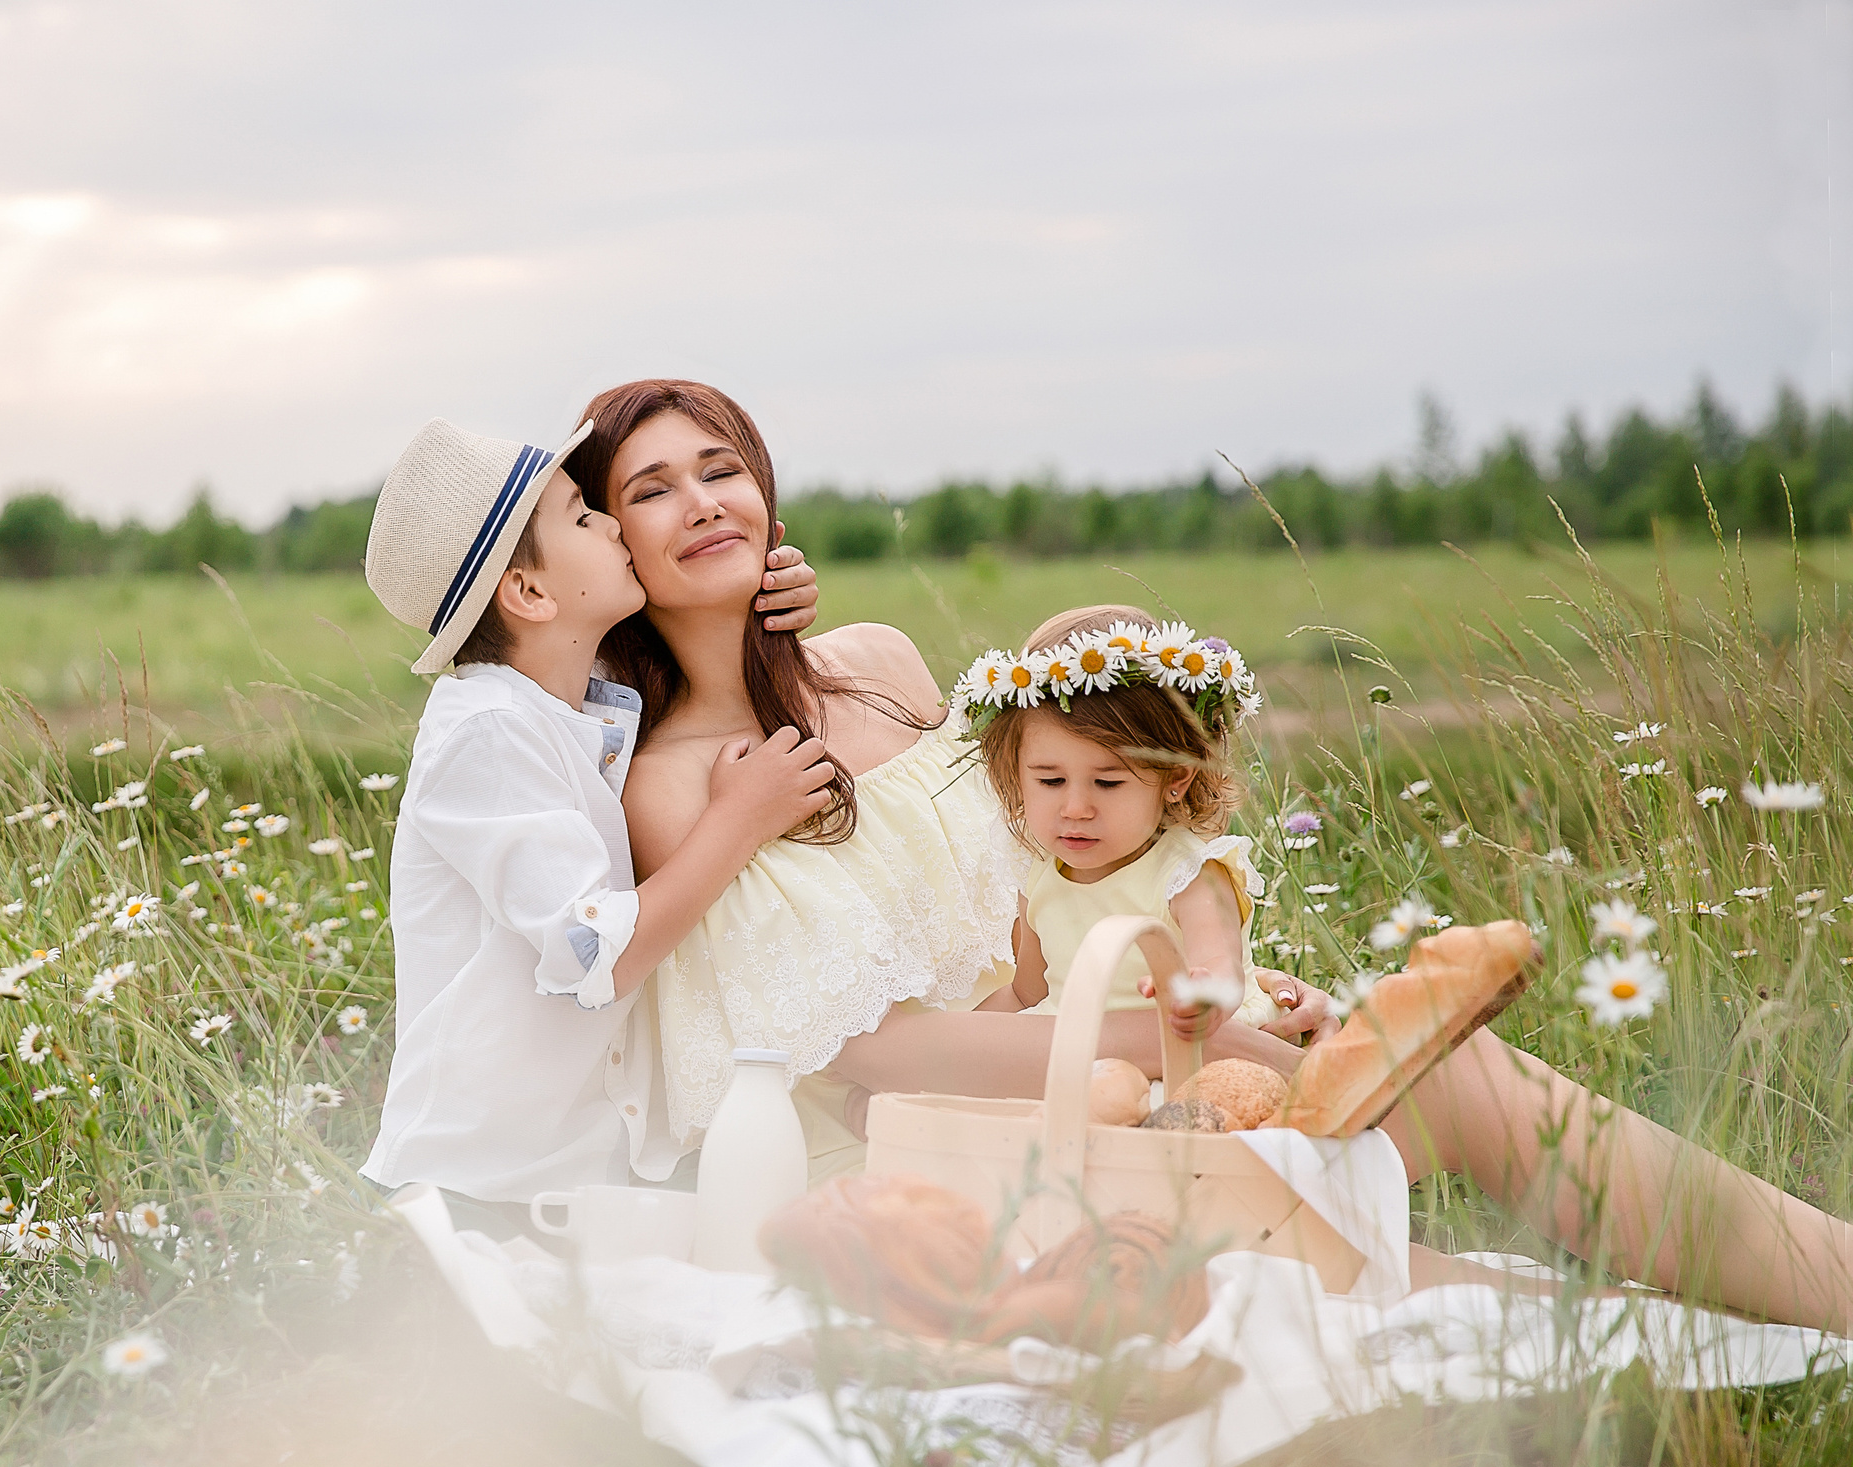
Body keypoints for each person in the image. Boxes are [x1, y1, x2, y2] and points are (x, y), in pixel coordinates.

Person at [566, 377, 1853, 1331]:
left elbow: (1056, 889)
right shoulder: (682, 783)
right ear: (612, 541)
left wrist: (1216, 990)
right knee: (1405, 1278)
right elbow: (867, 1051)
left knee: (1446, 1075)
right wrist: (1185, 1040)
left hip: (1095, 1070)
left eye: (718, 465)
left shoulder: (886, 668)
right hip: (921, 1149)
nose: (699, 502)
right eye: (649, 489)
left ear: (764, 486)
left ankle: (1826, 1278)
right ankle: (1780, 1302)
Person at [353, 417, 833, 1236]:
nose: (611, 524)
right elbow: (592, 952)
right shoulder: (486, 730)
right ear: (531, 594)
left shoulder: (568, 691)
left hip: (571, 1187)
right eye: (582, 516)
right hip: (474, 1195)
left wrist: (763, 584)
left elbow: (697, 631)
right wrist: (738, 818)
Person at [968, 601, 1287, 1037]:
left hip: (1183, 1046)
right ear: (1016, 772)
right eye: (1051, 780)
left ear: (1175, 775)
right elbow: (1028, 993)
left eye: (1107, 783)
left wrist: (1202, 996)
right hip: (1083, 1050)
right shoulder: (1041, 877)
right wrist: (948, 1050)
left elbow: (1219, 965)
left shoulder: (1188, 874)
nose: (1076, 808)